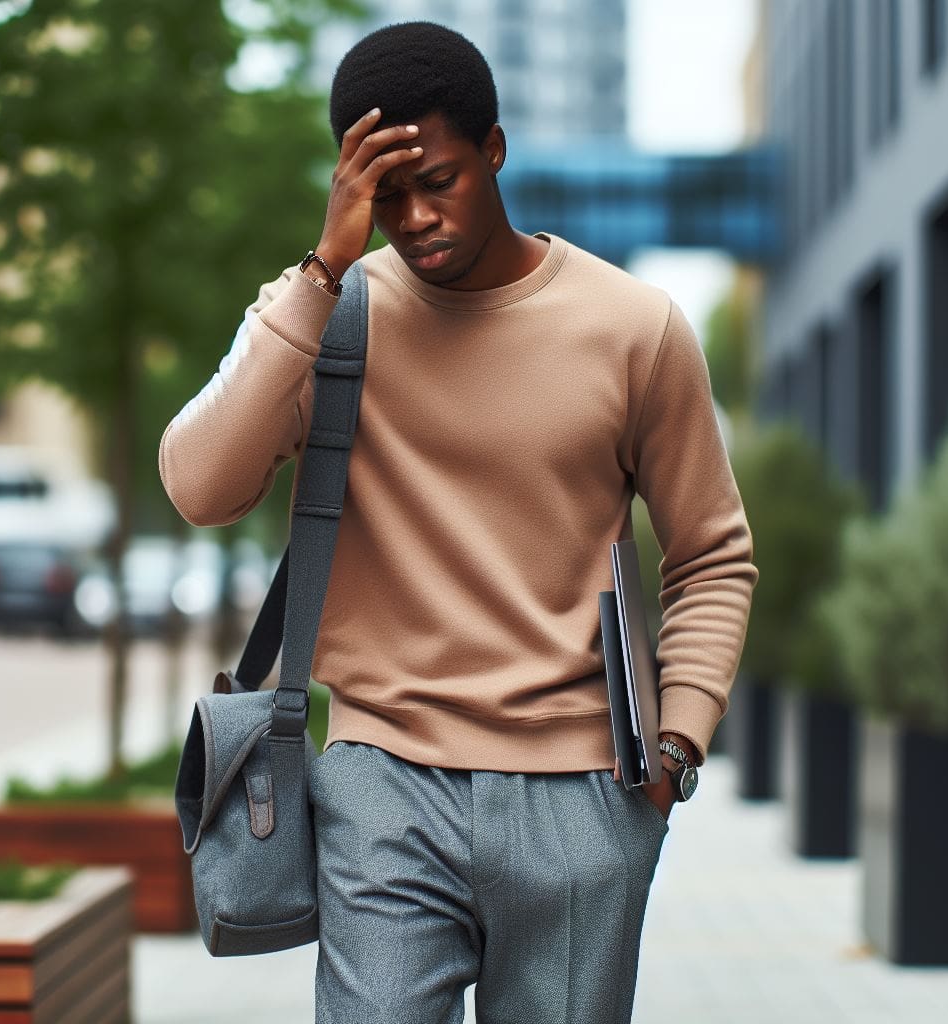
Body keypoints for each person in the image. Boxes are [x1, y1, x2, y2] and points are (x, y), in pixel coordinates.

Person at [159, 19, 758, 1024]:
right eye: (386, 195)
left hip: (580, 792)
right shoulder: (329, 311)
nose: (417, 217)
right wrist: (319, 271)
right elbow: (199, 486)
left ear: (494, 150)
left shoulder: (631, 327)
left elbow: (710, 553)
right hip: (383, 785)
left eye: (439, 179)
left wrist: (678, 746)